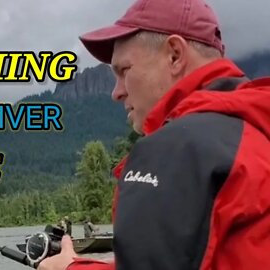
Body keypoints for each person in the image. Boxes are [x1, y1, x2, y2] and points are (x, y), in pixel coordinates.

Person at [37, 0, 270, 269]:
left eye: (124, 71)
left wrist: (69, 268)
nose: (116, 92)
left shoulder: (180, 149)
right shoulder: (254, 131)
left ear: (174, 55)